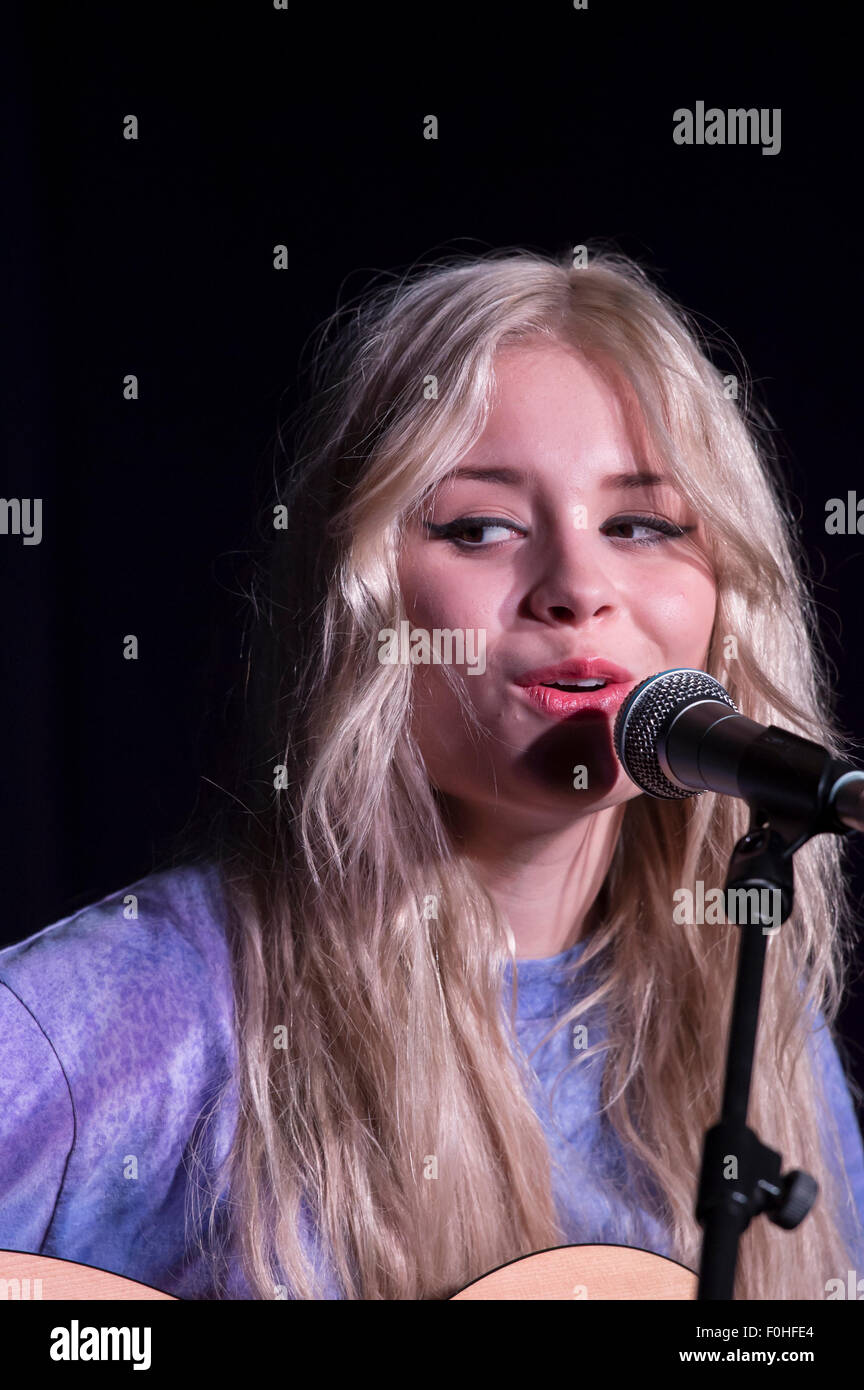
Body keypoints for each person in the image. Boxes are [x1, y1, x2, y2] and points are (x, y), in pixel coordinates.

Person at [2, 248, 863, 1301]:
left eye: (640, 524)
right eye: (480, 527)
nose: (577, 587)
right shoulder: (148, 1007)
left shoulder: (745, 1028)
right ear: (359, 599)